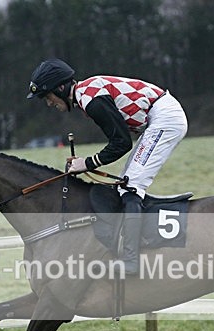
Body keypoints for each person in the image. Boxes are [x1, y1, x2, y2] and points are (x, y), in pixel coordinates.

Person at [27, 58, 188, 275]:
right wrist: (87, 163)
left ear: (61, 88)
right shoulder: (87, 94)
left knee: (131, 187)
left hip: (164, 118)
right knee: (125, 184)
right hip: (159, 117)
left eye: (48, 97)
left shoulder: (91, 100)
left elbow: (121, 143)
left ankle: (131, 261)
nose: (49, 103)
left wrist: (86, 163)